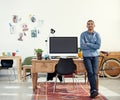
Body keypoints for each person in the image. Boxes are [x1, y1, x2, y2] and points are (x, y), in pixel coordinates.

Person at [80, 20, 101, 98]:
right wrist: (93, 45)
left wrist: (87, 44)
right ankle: (94, 90)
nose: (90, 25)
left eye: (91, 24)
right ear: (86, 26)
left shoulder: (97, 35)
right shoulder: (83, 34)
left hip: (95, 56)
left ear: (94, 25)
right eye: (88, 24)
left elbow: (98, 46)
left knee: (95, 73)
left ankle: (93, 90)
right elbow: (82, 46)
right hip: (86, 56)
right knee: (90, 72)